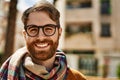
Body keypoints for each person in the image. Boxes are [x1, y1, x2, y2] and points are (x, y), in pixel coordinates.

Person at [0, 0, 86, 80]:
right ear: (25, 35)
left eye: (48, 29)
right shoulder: (5, 74)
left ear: (59, 33)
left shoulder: (77, 78)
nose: (40, 37)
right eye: (33, 30)